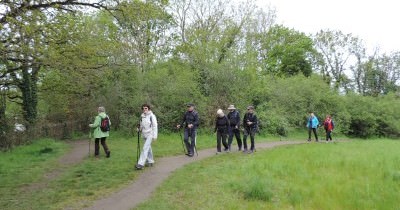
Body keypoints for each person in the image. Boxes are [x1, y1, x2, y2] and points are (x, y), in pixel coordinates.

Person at [135, 104, 158, 170]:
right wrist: (139, 129)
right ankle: (150, 161)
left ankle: (140, 164)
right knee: (148, 148)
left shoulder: (152, 116)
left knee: (145, 148)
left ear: (148, 109)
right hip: (144, 134)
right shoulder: (142, 116)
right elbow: (141, 125)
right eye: (143, 108)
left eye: (146, 108)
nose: (144, 110)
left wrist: (155, 136)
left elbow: (155, 126)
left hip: (150, 134)